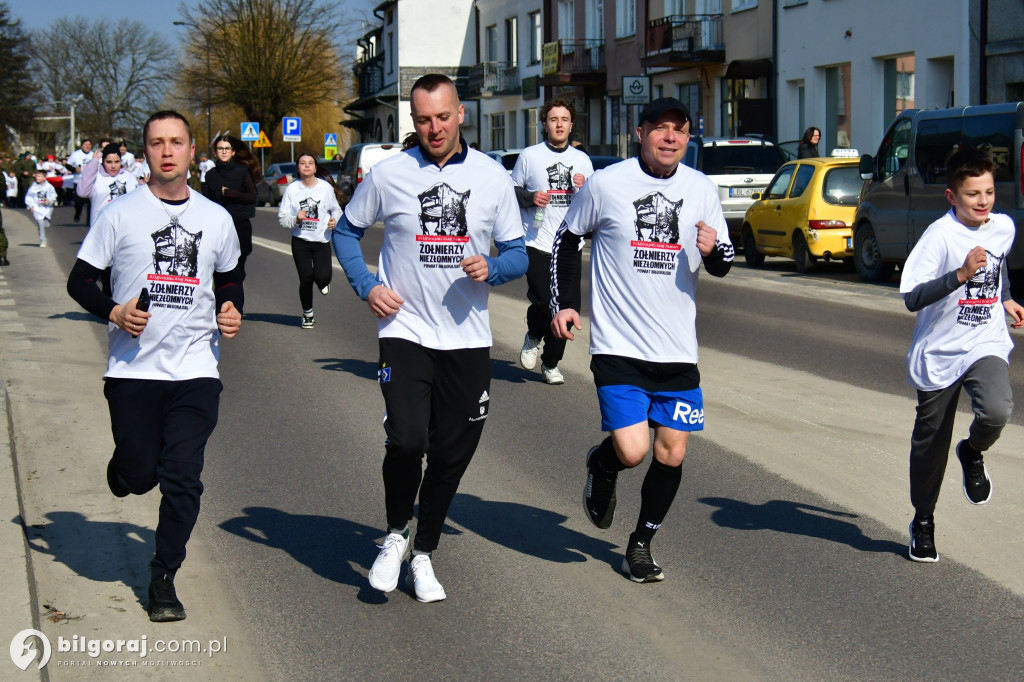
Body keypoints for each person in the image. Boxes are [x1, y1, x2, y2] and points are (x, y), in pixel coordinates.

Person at [332, 74, 526, 602]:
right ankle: (396, 533)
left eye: (442, 117)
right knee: (408, 440)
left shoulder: (491, 177)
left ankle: (424, 553)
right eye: (423, 120)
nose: (434, 128)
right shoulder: (389, 175)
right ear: (412, 121)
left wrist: (493, 267)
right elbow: (345, 232)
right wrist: (367, 285)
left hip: (467, 338)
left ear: (460, 114)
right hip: (405, 330)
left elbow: (518, 252)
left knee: (449, 454)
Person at [66, 110, 243, 622]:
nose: (167, 151)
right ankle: (125, 468)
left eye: (177, 142)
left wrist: (231, 307)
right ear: (145, 152)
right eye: (157, 143)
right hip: (133, 371)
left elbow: (230, 278)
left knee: (183, 478)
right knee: (140, 474)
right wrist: (114, 312)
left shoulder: (216, 218)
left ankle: (163, 576)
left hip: (195, 370)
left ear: (191, 152)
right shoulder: (119, 215)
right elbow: (80, 281)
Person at [549, 97, 734, 583]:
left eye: (679, 130)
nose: (670, 137)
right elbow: (566, 239)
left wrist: (714, 252)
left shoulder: (700, 188)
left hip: (678, 350)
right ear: (640, 133)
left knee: (672, 452)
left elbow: (724, 259)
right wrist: (565, 303)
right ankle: (602, 465)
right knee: (632, 451)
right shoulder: (607, 184)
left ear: (688, 137)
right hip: (619, 346)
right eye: (660, 128)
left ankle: (640, 544)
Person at [899, 147, 1024, 563]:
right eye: (973, 194)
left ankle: (972, 451)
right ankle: (923, 519)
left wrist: (1004, 298)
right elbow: (912, 297)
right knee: (930, 444)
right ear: (952, 196)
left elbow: (998, 265)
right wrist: (960, 275)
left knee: (997, 410)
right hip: (939, 351)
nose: (983, 201)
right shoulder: (939, 236)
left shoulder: (1003, 227)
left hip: (984, 340)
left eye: (989, 192)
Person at [512, 97, 594, 385]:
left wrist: (586, 188)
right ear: (544, 125)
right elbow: (511, 192)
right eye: (553, 119)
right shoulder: (530, 156)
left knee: (566, 309)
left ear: (571, 126)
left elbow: (595, 203)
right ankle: (534, 333)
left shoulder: (582, 160)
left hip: (569, 246)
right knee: (545, 301)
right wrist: (530, 197)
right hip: (536, 241)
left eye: (564, 120)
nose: (559, 124)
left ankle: (550, 363)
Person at [278, 154, 342, 329]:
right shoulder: (292, 190)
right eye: (302, 163)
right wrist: (295, 219)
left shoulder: (325, 188)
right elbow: (282, 219)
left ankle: (322, 282)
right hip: (300, 241)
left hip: (321, 240)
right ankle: (308, 314)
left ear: (315, 168)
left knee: (323, 276)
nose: (307, 166)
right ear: (298, 168)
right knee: (306, 277)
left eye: (310, 163)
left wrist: (335, 220)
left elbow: (336, 209)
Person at [203, 135, 260, 281]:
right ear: (215, 152)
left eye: (227, 148)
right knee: (220, 269)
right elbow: (206, 202)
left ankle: (237, 288)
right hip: (219, 226)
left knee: (238, 267)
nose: (224, 151)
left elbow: (253, 196)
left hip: (240, 223)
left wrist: (233, 194)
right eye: (220, 148)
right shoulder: (210, 175)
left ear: (233, 152)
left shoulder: (243, 171)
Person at [78, 143, 139, 226]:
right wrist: (94, 162)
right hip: (101, 226)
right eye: (109, 162)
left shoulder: (129, 177)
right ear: (103, 161)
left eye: (117, 162)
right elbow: (82, 192)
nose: (113, 166)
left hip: (124, 226)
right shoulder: (96, 177)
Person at [25, 170, 57, 247]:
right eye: (36, 176)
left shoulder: (49, 187)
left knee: (46, 224)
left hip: (47, 208)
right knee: (40, 223)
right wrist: (30, 205)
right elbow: (29, 197)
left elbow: (54, 196)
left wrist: (49, 200)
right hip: (37, 208)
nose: (37, 178)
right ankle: (43, 240)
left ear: (44, 178)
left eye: (39, 176)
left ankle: (47, 220)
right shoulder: (33, 187)